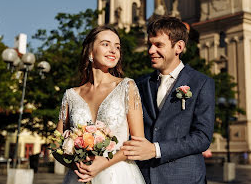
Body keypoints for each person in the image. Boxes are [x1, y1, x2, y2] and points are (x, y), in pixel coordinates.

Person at [121, 16, 215, 184]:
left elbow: (202, 137)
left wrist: (156, 149)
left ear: (178, 47)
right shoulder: (140, 84)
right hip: (144, 176)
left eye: (158, 45)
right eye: (150, 44)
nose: (150, 50)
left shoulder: (201, 83)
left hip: (185, 178)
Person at [56, 26, 146, 184]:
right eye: (106, 44)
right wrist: (77, 166)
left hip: (118, 176)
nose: (113, 50)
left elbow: (137, 142)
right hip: (80, 177)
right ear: (90, 52)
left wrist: (103, 163)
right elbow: (55, 144)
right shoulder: (70, 95)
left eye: (117, 47)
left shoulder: (127, 87)